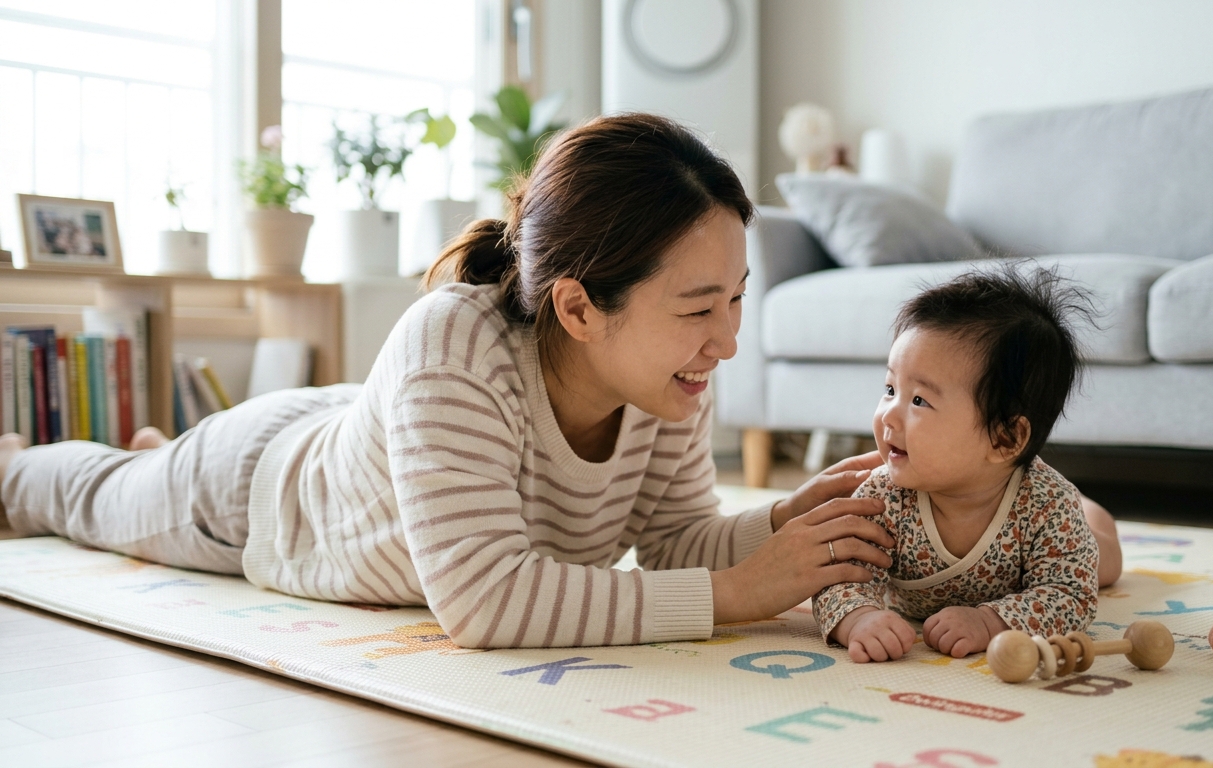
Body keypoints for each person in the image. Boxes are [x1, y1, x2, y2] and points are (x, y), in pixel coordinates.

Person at [0, 113, 898, 649]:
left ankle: (153, 451)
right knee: (90, 495)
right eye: (700, 308)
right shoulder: (453, 341)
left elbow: (672, 541)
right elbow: (484, 601)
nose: (728, 341)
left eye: (736, 300)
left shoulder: (667, 375)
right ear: (579, 308)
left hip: (382, 435)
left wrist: (781, 523)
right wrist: (738, 594)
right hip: (258, 492)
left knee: (140, 469)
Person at [813, 267, 1117, 664]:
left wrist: (990, 622)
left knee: (1104, 564)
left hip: (1060, 528)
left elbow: (1070, 595)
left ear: (1004, 439)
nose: (887, 415)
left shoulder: (1047, 505)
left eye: (919, 400)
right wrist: (859, 619)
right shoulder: (881, 496)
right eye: (890, 389)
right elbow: (837, 577)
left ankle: (1091, 514)